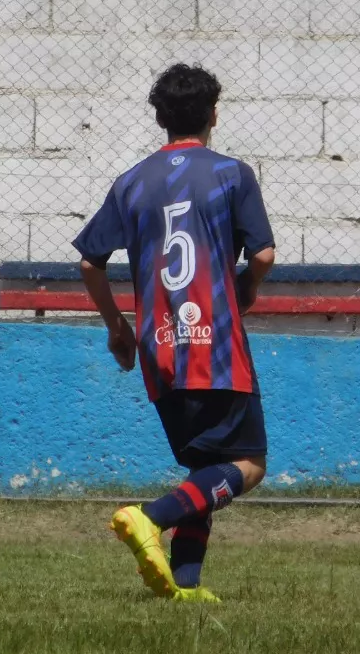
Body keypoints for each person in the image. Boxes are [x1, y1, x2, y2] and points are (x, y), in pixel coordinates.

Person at [73, 63, 276, 603]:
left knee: (203, 468)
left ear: (161, 119)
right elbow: (263, 254)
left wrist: (118, 327)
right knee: (248, 464)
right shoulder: (232, 173)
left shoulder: (131, 182)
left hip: (159, 350)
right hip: (217, 347)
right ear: (213, 114)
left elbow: (91, 262)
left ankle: (185, 584)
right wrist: (248, 287)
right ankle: (149, 517)